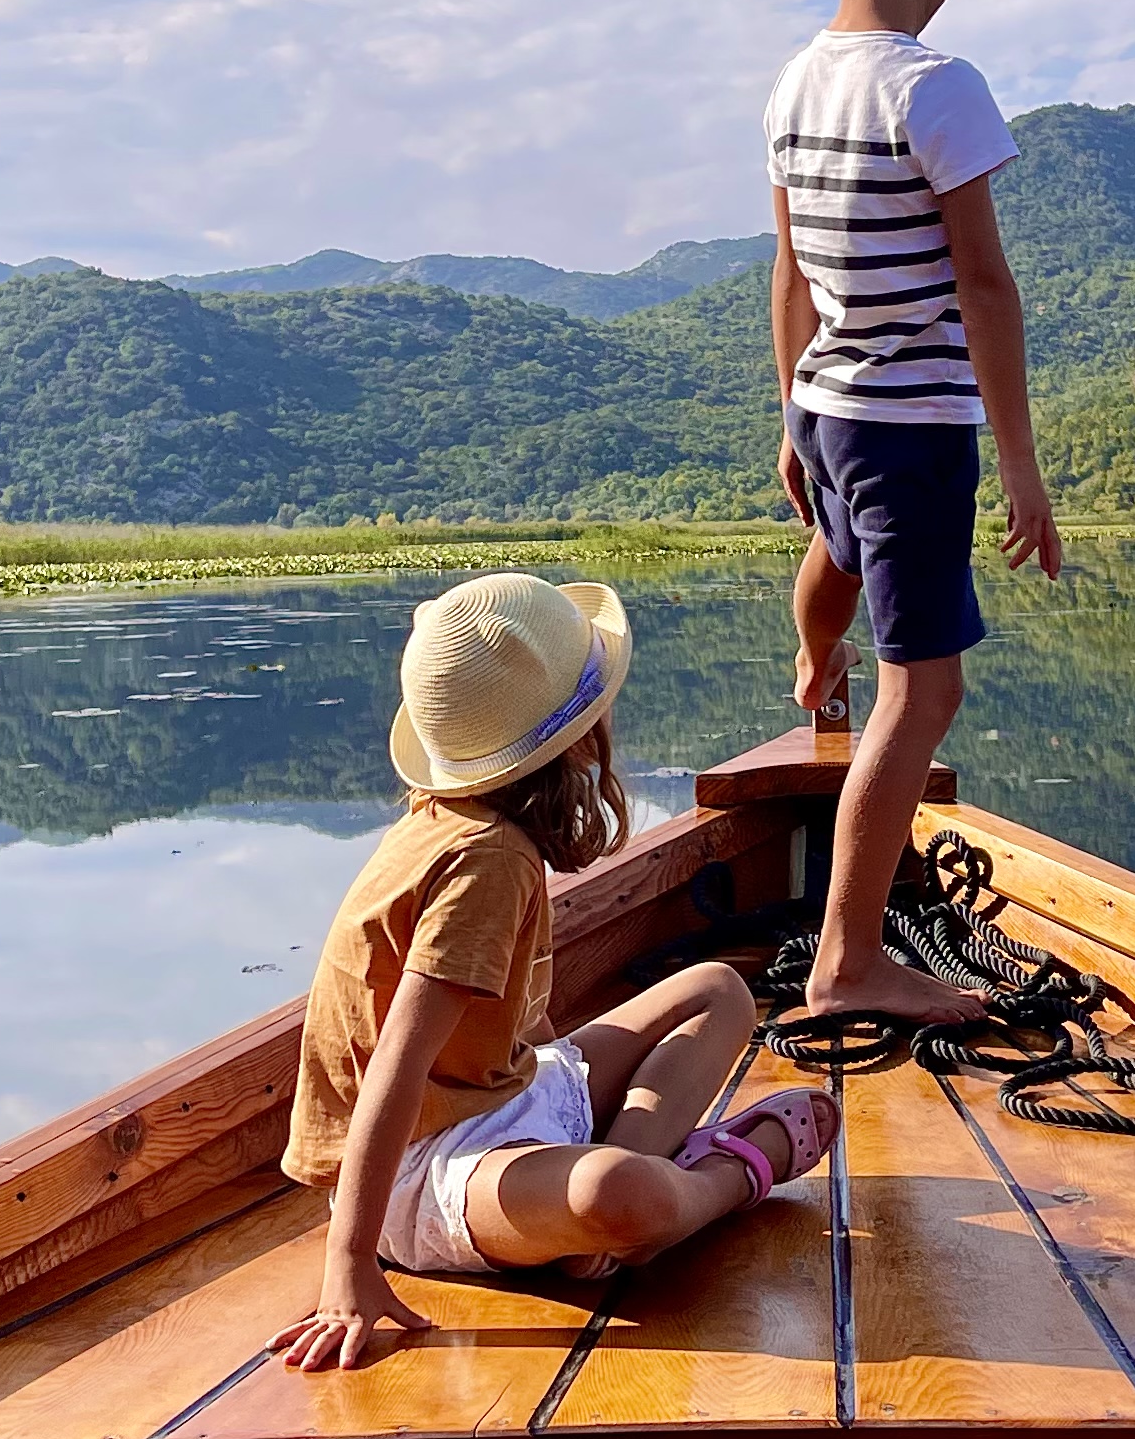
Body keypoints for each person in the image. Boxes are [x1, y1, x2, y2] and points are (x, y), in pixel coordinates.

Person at [268, 570, 838, 1374]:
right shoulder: (485, 862)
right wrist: (349, 1263)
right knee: (619, 1197)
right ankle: (725, 1178)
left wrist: (558, 1086)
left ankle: (626, 1194)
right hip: (422, 1172)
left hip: (506, 1095)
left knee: (717, 989)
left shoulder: (465, 824)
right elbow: (395, 1070)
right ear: (577, 736)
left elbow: (516, 1032)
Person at [768, 0, 1062, 1021]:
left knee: (835, 551)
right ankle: (849, 963)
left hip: (831, 407)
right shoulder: (939, 90)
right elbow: (985, 288)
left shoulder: (793, 86)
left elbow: (787, 270)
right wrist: (1025, 472)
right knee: (923, 693)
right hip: (913, 427)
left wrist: (790, 412)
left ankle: (808, 653)